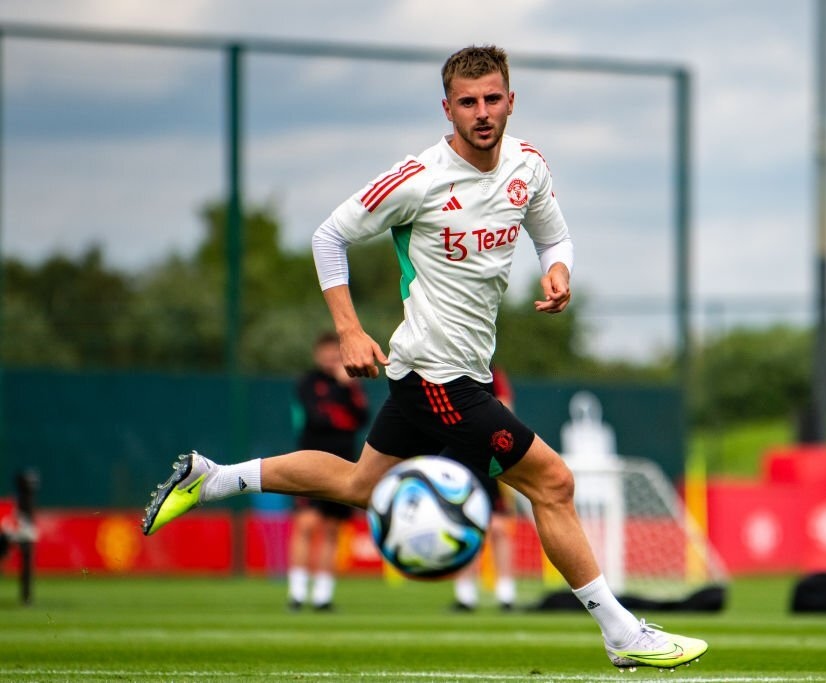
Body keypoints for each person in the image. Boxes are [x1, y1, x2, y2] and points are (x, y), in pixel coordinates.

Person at [141, 45, 707, 670]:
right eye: (468, 102)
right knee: (554, 483)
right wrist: (351, 331)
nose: (483, 112)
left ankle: (215, 477)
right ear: (448, 109)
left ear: (511, 101)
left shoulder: (528, 166)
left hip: (449, 373)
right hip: (441, 378)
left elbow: (553, 232)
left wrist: (558, 271)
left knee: (362, 484)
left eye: (493, 99)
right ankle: (621, 633)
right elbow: (328, 235)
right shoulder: (419, 178)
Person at [287, 331, 369, 611]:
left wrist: (346, 389)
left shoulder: (351, 384)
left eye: (337, 354)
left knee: (333, 529)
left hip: (343, 462)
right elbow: (318, 418)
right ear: (317, 354)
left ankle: (323, 596)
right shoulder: (308, 383)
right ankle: (297, 593)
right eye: (328, 353)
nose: (332, 358)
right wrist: (340, 414)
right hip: (309, 462)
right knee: (306, 524)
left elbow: (361, 418)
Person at [452, 364, 517, 612]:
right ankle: (465, 595)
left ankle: (506, 593)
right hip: (459, 458)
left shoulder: (493, 374)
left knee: (499, 527)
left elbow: (506, 409)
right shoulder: (446, 370)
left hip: (490, 458)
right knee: (465, 527)